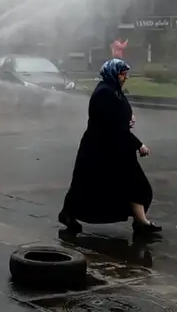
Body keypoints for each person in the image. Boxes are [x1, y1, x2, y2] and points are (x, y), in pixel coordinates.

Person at [58, 58, 161, 235]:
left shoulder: (113, 90)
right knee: (89, 186)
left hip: (115, 147)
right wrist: (138, 144)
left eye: (126, 73)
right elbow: (111, 124)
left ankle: (140, 222)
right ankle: (68, 214)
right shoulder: (104, 93)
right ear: (112, 74)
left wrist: (128, 119)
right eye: (122, 74)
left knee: (132, 184)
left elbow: (118, 117)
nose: (126, 77)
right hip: (101, 149)